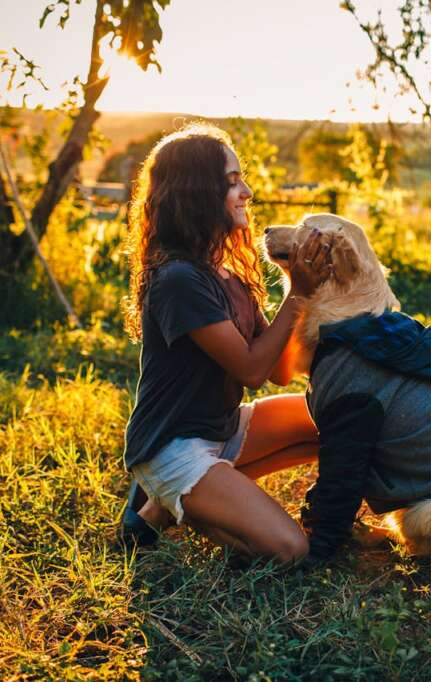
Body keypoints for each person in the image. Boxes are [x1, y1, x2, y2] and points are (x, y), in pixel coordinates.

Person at [120, 123, 330, 562]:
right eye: (232, 182)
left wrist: (307, 294)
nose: (247, 192)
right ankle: (171, 495)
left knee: (338, 421)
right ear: (197, 192)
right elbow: (252, 371)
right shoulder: (178, 279)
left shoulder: (227, 274)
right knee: (289, 549)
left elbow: (277, 370)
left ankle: (160, 507)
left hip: (221, 428)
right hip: (172, 445)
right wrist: (299, 293)